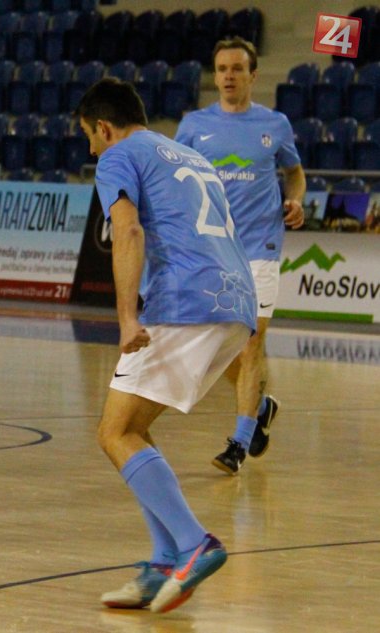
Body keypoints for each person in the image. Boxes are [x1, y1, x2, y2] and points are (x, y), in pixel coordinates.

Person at [77, 78, 256, 613]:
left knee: (114, 432)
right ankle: (162, 563)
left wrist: (126, 317)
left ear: (104, 127)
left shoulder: (118, 156)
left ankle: (194, 543)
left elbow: (128, 232)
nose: (91, 149)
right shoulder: (188, 154)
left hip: (185, 302)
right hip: (235, 302)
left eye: (89, 136)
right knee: (134, 427)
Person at [175, 36, 305, 475]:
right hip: (213, 250)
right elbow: (177, 180)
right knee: (220, 351)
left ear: (253, 75)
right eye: (222, 69)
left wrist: (295, 199)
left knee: (251, 343)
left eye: (237, 69)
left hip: (261, 247)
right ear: (215, 77)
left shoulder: (275, 124)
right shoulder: (193, 126)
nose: (229, 76)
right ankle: (260, 408)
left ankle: (238, 444)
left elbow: (295, 172)